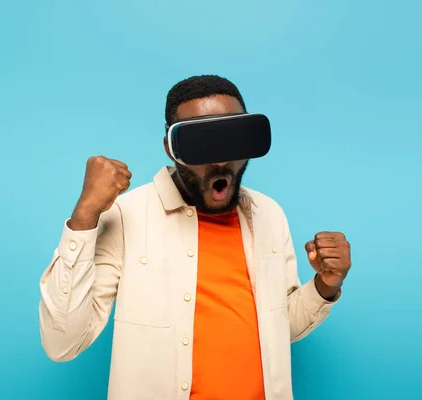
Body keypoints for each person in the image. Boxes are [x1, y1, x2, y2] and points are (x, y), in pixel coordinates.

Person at [38, 75, 352, 400]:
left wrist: (325, 285)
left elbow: (277, 326)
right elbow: (62, 343)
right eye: (202, 144)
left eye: (232, 140)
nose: (220, 160)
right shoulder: (126, 216)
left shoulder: (269, 215)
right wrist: (85, 215)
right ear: (171, 149)